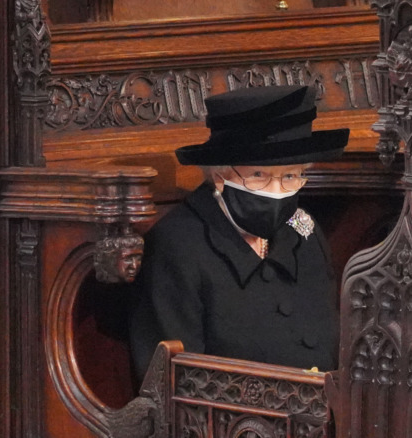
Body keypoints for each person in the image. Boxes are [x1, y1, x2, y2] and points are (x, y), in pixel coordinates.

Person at [129, 85, 349, 381]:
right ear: (220, 175)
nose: (277, 192)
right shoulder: (178, 246)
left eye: (290, 176)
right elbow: (173, 382)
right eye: (259, 175)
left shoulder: (304, 231)